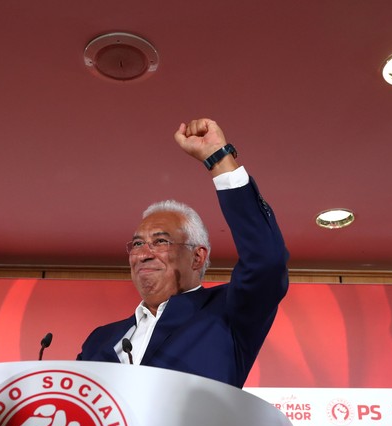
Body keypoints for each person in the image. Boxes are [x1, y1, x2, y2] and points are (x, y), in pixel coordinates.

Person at [77, 118, 289, 388]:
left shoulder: (228, 313)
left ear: (198, 257)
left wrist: (219, 159)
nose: (143, 254)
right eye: (138, 244)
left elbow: (267, 261)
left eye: (160, 241)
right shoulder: (99, 340)